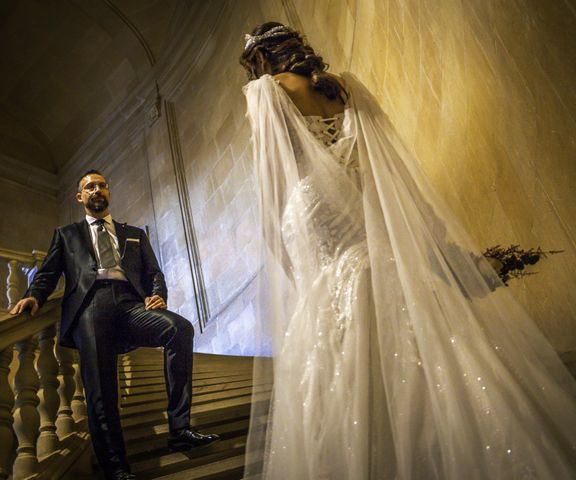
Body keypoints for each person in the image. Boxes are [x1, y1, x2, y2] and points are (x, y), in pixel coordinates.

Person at [240, 22, 576, 480]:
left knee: (335, 346)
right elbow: (399, 184)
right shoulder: (343, 86)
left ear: (260, 59)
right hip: (366, 218)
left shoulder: (266, 91)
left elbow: (272, 188)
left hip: (313, 208)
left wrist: (305, 283)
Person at [10, 170, 219, 480]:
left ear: (108, 192)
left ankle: (179, 429)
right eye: (89, 187)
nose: (97, 190)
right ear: (80, 197)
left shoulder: (133, 233)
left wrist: (157, 295)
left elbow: (154, 273)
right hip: (90, 307)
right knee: (101, 390)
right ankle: (117, 470)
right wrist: (33, 297)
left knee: (180, 329)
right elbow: (48, 272)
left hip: (131, 305)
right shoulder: (67, 235)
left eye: (102, 185)